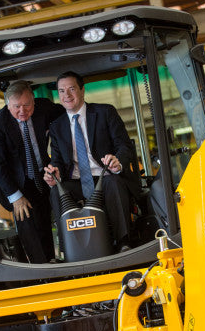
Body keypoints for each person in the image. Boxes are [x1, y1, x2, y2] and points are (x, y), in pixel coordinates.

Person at [44, 71, 138, 252]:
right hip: (77, 182)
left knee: (114, 182)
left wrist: (117, 162)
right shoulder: (57, 126)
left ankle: (124, 242)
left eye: (71, 89)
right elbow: (57, 162)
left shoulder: (105, 112)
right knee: (56, 190)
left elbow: (124, 145)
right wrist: (53, 175)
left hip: (104, 176)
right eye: (61, 91)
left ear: (82, 90)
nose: (67, 95)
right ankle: (66, 249)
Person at [0, 80, 63, 263]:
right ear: (7, 105)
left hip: (44, 175)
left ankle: (54, 261)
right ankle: (41, 267)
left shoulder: (45, 108)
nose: (23, 111)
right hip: (18, 182)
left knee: (46, 217)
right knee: (26, 218)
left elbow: (67, 114)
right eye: (16, 106)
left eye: (27, 105)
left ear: (34, 101)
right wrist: (15, 196)